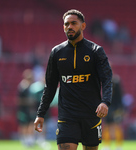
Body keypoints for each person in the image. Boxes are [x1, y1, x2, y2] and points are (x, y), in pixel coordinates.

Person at [34, 9, 113, 150]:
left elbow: (107, 79)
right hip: (67, 115)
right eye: (66, 24)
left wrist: (105, 102)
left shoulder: (96, 51)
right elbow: (50, 86)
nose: (69, 27)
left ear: (83, 26)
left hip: (91, 114)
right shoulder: (57, 53)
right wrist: (41, 113)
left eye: (74, 23)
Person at [101, 74, 124, 150]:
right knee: (107, 126)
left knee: (116, 126)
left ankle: (119, 146)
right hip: (107, 106)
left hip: (115, 107)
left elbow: (120, 96)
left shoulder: (116, 81)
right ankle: (107, 145)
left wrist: (120, 108)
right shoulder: (103, 80)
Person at [17, 69, 37, 147]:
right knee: (24, 124)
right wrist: (28, 102)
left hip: (30, 109)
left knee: (31, 124)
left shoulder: (31, 86)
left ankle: (30, 140)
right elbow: (19, 100)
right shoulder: (22, 86)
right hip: (23, 109)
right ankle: (24, 140)